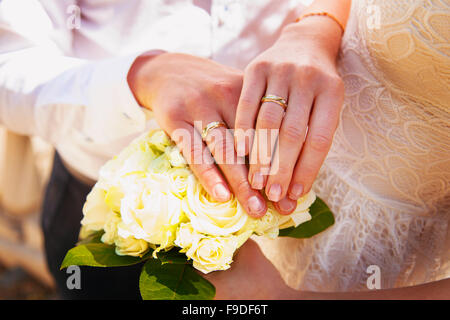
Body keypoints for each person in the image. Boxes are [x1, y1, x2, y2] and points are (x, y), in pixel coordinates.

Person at [0, 0, 448, 299]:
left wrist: (314, 29)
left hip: (294, 209)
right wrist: (140, 77)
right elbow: (8, 62)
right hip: (104, 198)